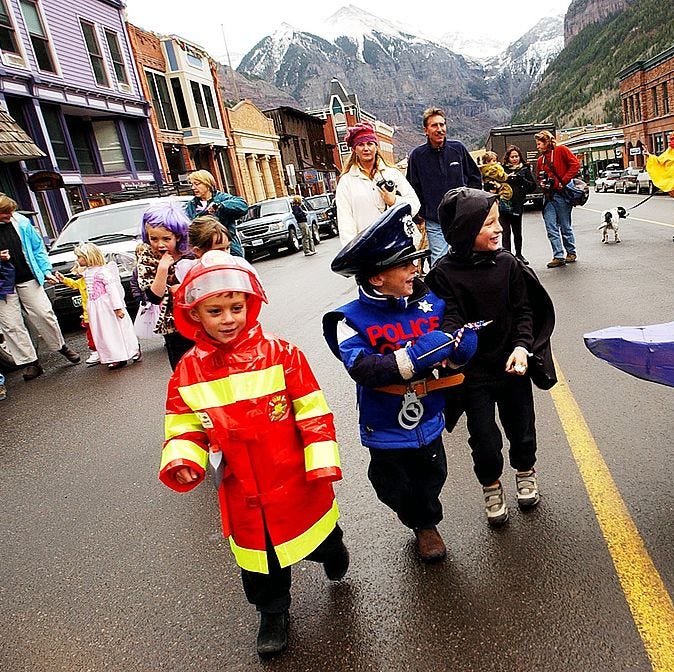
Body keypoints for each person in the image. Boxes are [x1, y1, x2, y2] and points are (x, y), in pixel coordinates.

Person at [159, 250, 348, 658]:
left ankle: (333, 548)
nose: (228, 318)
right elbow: (183, 423)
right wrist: (184, 460)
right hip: (242, 486)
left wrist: (320, 459)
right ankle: (272, 611)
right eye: (215, 310)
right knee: (258, 559)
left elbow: (312, 409)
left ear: (250, 305)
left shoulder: (283, 354)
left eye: (236, 307)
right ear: (195, 315)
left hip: (295, 476)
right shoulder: (188, 371)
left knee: (315, 532)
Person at [323, 203, 478, 562]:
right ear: (377, 276)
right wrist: (411, 358)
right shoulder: (349, 318)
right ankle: (414, 516)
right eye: (406, 263)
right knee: (390, 483)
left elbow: (451, 337)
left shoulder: (431, 304)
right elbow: (363, 367)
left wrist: (459, 352)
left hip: (429, 415)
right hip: (384, 422)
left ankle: (426, 524)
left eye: (416, 260)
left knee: (432, 474)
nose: (415, 268)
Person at [425, 187, 542, 526]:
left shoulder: (508, 265)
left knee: (522, 430)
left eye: (498, 220)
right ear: (464, 231)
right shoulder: (444, 274)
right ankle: (491, 486)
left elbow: (524, 312)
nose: (499, 228)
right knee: (484, 440)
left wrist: (522, 346)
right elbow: (446, 318)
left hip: (512, 368)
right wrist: (451, 345)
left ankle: (525, 471)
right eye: (488, 223)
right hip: (472, 376)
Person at [0, 194, 80, 380]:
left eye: (11, 211)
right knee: (11, 325)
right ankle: (30, 363)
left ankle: (61, 346)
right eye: (5, 213)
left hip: (28, 277)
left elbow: (37, 249)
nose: (10, 215)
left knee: (44, 314)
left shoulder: (21, 222)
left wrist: (46, 271)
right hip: (3, 286)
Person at [407, 107, 482, 266]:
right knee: (440, 263)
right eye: (434, 125)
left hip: (461, 217)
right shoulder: (417, 156)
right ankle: (441, 291)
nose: (440, 129)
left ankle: (466, 290)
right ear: (425, 130)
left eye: (442, 125)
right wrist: (421, 212)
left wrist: (472, 205)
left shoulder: (458, 149)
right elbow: (412, 187)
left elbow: (475, 178)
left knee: (466, 257)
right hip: (435, 220)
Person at [335, 121, 420, 246]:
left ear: (376, 146)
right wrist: (351, 249)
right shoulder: (347, 181)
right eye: (361, 144)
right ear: (354, 149)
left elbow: (415, 204)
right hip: (368, 247)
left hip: (399, 242)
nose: (366, 148)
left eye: (370, 143)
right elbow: (345, 220)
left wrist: (394, 201)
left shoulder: (392, 174)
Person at [136, 201, 194, 370]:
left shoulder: (190, 252)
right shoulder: (148, 257)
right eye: (153, 238)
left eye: (166, 239)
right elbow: (154, 297)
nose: (160, 244)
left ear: (178, 236)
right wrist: (162, 268)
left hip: (200, 319)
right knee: (182, 369)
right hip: (174, 325)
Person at [71, 243, 140, 370]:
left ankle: (131, 350)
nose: (77, 260)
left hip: (107, 307)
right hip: (95, 308)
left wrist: (117, 307)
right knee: (103, 332)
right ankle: (113, 356)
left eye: (79, 257)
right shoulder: (86, 273)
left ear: (88, 257)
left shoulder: (103, 272)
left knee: (116, 330)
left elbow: (112, 290)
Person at [535, 130, 581, 268]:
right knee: (550, 226)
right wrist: (542, 183)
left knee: (564, 225)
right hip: (549, 195)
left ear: (546, 142)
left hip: (562, 193)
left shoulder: (561, 150)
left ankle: (571, 252)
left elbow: (575, 165)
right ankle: (558, 256)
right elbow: (538, 176)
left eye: (539, 144)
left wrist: (564, 181)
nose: (537, 147)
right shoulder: (540, 160)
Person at [184, 170, 248, 257]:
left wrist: (221, 206)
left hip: (229, 247)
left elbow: (242, 205)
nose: (193, 187)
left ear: (207, 184)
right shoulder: (191, 205)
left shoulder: (221, 198)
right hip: (205, 250)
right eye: (192, 184)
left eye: (197, 184)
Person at [54, 261, 99, 366]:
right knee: (91, 335)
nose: (76, 269)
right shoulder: (81, 281)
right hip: (88, 315)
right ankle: (95, 352)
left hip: (98, 312)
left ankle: (105, 350)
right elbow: (73, 284)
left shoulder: (94, 278)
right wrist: (63, 279)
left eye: (78, 266)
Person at [502, 145, 537, 263]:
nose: (514, 159)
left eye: (516, 156)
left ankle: (519, 254)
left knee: (517, 231)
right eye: (512, 157)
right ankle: (507, 257)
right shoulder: (502, 169)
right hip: (504, 205)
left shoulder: (525, 169)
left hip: (517, 204)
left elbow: (533, 187)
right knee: (505, 232)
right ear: (508, 158)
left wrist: (522, 180)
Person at [643, 131, 674, 197]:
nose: (670, 142)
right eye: (671, 139)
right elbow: (658, 161)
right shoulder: (669, 151)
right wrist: (648, 155)